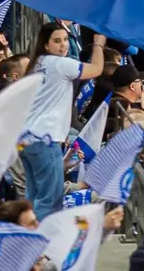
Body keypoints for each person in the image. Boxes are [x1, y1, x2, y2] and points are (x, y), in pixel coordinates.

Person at [19, 22, 106, 219]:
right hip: (45, 138)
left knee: (33, 197)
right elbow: (96, 69)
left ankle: (26, 241)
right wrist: (99, 45)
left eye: (66, 40)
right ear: (46, 44)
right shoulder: (60, 64)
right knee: (49, 199)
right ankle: (42, 244)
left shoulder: (36, 64)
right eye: (57, 41)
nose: (63, 45)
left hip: (26, 138)